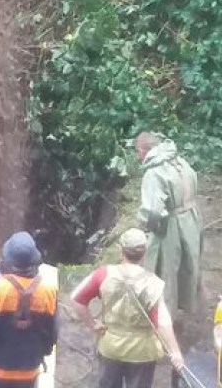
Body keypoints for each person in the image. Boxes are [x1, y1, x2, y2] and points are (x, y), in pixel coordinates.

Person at [71, 228, 185, 388]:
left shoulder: (103, 274)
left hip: (111, 347)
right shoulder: (152, 283)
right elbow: (162, 320)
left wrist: (92, 324)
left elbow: (76, 299)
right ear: (144, 252)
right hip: (142, 352)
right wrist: (175, 352)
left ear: (121, 250)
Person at [0, 231, 57, 388]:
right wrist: (43, 353)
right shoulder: (49, 291)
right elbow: (52, 334)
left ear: (7, 261)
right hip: (29, 373)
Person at [134, 131, 202, 321]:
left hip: (170, 226)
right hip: (191, 220)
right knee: (188, 265)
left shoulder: (154, 173)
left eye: (137, 151)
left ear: (146, 150)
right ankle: (186, 303)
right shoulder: (180, 162)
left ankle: (163, 317)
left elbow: (153, 210)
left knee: (165, 271)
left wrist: (146, 227)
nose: (137, 156)